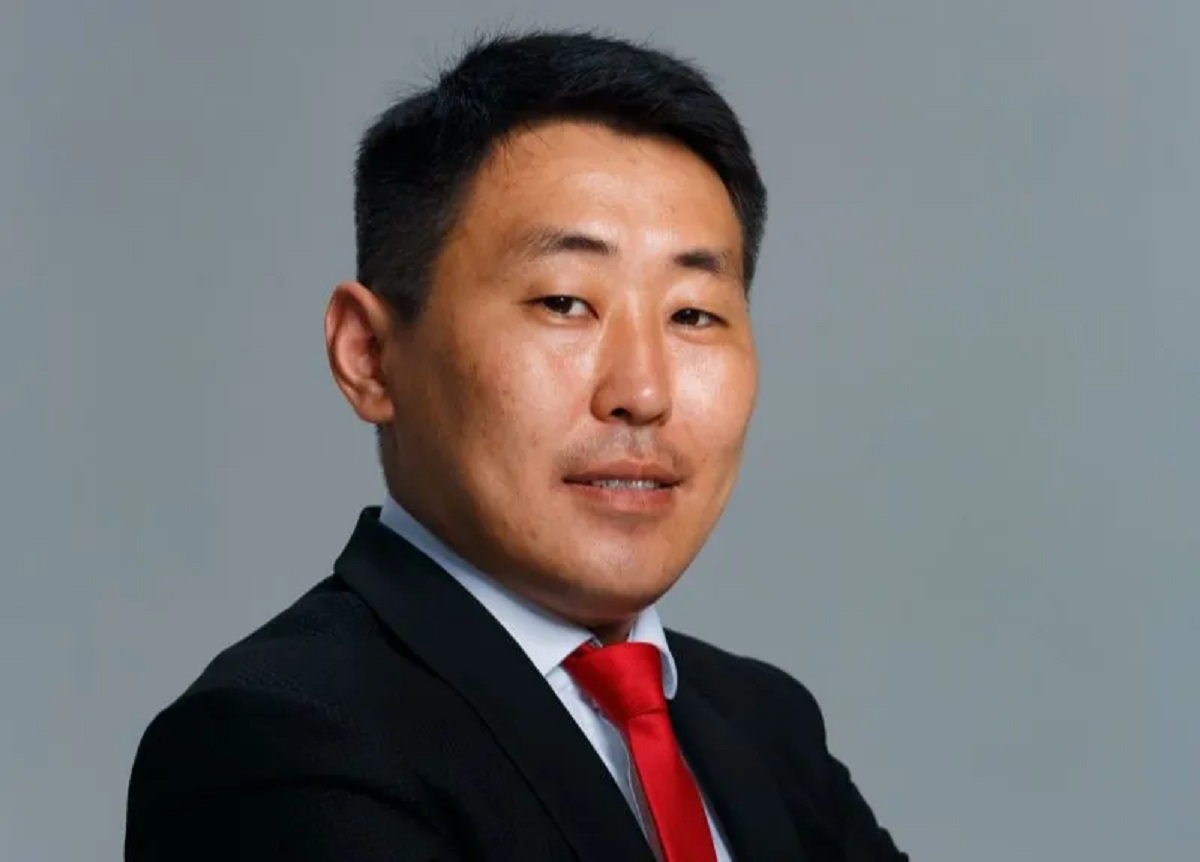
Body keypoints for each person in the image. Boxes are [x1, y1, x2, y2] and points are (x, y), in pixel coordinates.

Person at [124, 29, 908, 862]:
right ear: (370, 356)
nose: (642, 392)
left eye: (692, 314)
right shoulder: (275, 744)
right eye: (565, 303)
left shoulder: (768, 730)